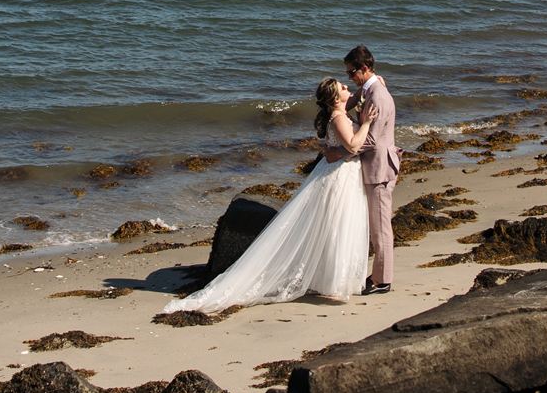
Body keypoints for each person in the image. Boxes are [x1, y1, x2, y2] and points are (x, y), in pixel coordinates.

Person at [161, 78, 371, 315]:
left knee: (335, 226)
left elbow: (342, 141)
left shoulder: (339, 114)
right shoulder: (339, 117)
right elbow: (353, 146)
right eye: (343, 88)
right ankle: (331, 280)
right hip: (339, 177)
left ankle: (329, 279)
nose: (347, 89)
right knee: (337, 225)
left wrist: (370, 92)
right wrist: (367, 124)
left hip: (341, 174)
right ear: (335, 98)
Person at [344, 44, 400, 295]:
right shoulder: (373, 89)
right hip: (378, 165)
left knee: (380, 227)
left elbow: (373, 140)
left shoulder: (378, 95)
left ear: (364, 68)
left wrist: (345, 151)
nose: (350, 78)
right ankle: (378, 275)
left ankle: (383, 280)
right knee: (378, 225)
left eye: (352, 73)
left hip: (380, 169)